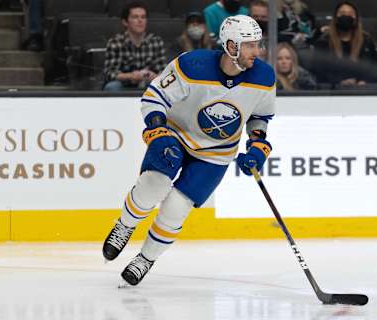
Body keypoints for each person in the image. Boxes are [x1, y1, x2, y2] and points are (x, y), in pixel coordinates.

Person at [102, 15, 276, 286]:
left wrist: (258, 145)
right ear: (231, 47)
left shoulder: (264, 76)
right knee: (153, 185)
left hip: (216, 153)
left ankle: (145, 258)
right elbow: (154, 97)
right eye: (251, 45)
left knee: (175, 208)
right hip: (176, 137)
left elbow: (260, 117)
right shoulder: (191, 65)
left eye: (258, 44)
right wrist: (158, 131)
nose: (258, 51)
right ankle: (125, 225)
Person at [103, 1, 167, 91]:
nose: (140, 20)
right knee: (112, 86)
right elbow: (109, 74)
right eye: (135, 17)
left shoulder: (156, 41)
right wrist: (131, 76)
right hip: (123, 85)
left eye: (143, 17)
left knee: (162, 86)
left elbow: (164, 74)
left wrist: (153, 75)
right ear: (125, 22)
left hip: (148, 84)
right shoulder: (115, 42)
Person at [313, 1, 377, 86]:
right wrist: (339, 82)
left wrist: (364, 81)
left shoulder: (366, 41)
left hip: (362, 90)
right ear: (335, 17)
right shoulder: (323, 41)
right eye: (342, 13)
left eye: (350, 13)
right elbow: (319, 70)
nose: (346, 16)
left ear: (356, 18)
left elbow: (375, 68)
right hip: (333, 91)